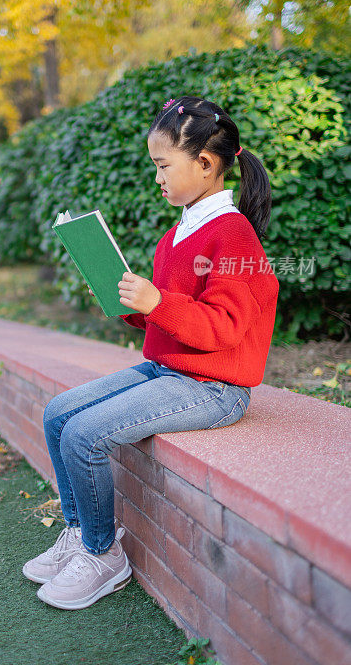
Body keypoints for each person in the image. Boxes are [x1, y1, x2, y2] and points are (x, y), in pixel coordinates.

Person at [22, 94, 280, 610]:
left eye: (163, 166)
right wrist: (132, 303)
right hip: (168, 369)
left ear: (205, 164)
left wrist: (158, 301)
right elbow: (170, 317)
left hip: (214, 387)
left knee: (84, 434)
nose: (158, 178)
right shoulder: (174, 236)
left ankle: (102, 556)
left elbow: (224, 327)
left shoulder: (234, 235)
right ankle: (79, 532)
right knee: (58, 415)